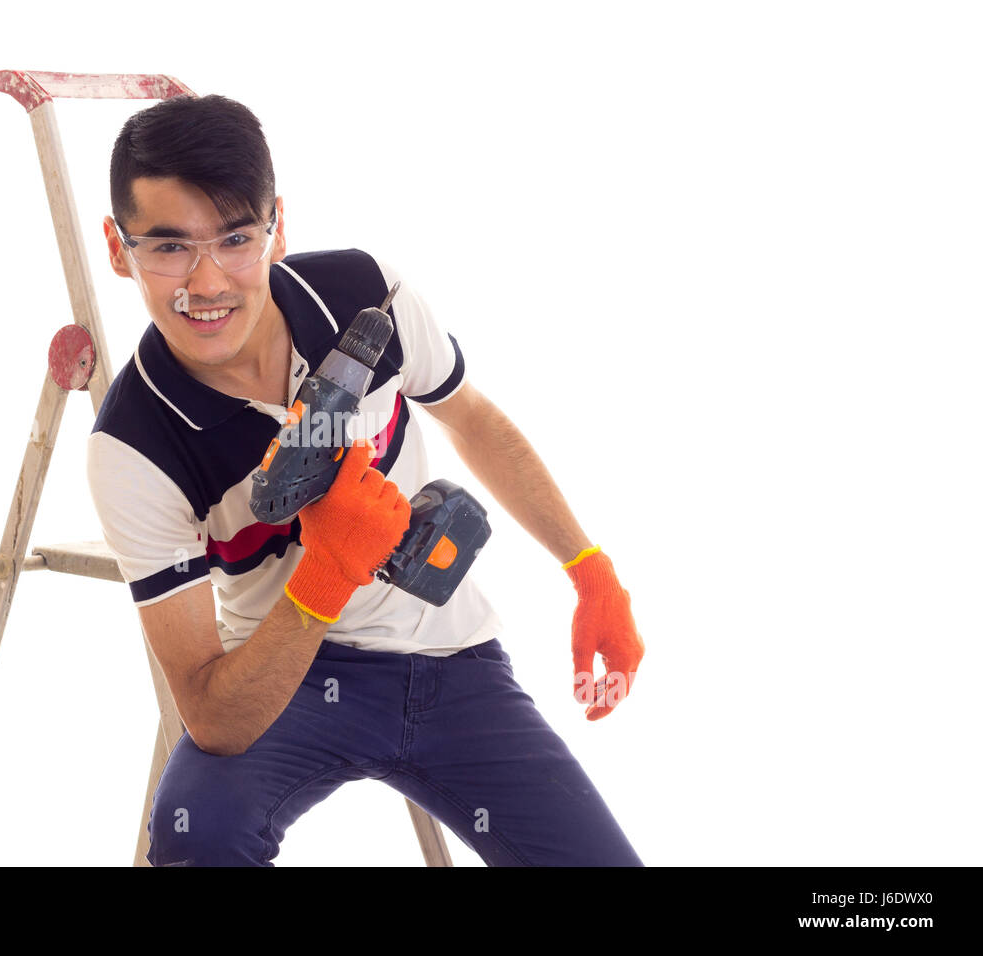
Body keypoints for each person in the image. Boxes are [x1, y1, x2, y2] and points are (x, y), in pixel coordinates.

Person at [87, 93, 645, 866]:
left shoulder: (364, 297)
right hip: (285, 679)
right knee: (198, 832)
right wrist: (328, 571)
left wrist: (589, 569)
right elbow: (215, 718)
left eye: (237, 238)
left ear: (278, 226)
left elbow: (473, 418)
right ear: (119, 249)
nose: (208, 282)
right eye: (170, 247)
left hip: (452, 662)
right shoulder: (133, 448)